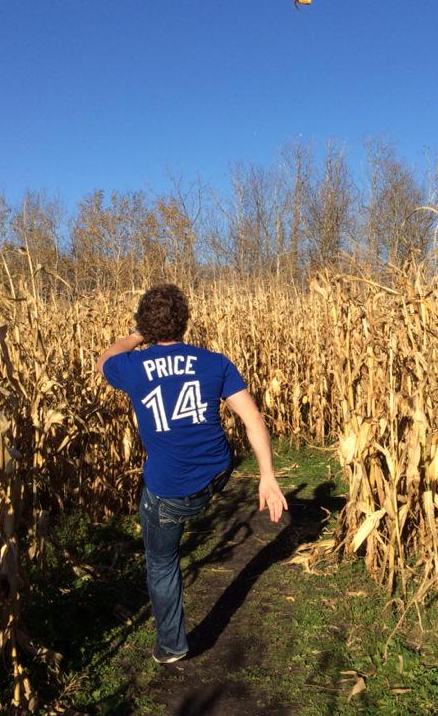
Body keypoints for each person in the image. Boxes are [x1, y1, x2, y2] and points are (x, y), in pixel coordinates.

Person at [96, 283, 288, 664]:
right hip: (216, 473)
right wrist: (267, 475)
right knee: (190, 489)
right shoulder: (214, 362)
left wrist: (138, 334)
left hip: (168, 490)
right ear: (185, 322)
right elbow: (252, 418)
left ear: (147, 327)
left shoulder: (132, 367)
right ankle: (197, 502)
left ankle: (171, 645)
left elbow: (105, 358)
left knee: (162, 562)